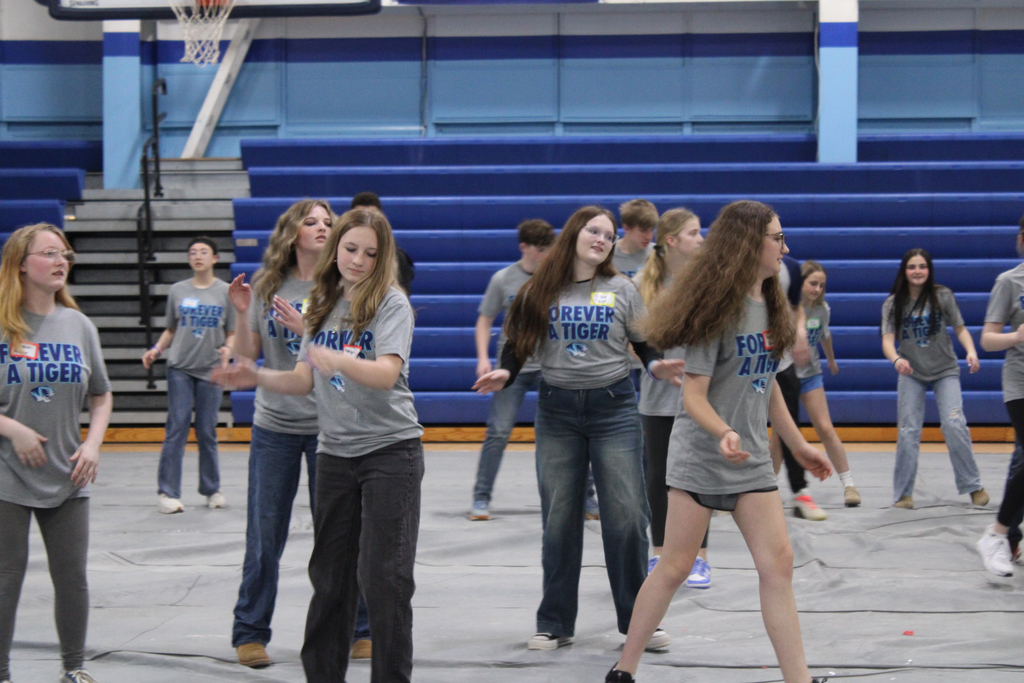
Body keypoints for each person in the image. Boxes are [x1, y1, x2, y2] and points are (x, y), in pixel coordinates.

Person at [607, 200, 833, 683]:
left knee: (780, 565)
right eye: (777, 238)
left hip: (749, 462)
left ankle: (799, 679)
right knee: (674, 566)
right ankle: (624, 669)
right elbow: (693, 395)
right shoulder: (718, 311)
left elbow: (768, 385)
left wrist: (797, 445)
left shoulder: (771, 305)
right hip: (702, 457)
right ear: (751, 243)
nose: (785, 248)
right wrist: (723, 431)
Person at [214, 208, 423, 683]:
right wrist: (256, 375)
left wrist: (336, 360)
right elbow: (301, 381)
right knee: (329, 578)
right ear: (335, 250)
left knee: (383, 578)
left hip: (390, 452)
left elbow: (387, 374)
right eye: (351, 249)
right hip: (334, 454)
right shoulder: (322, 303)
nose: (358, 259)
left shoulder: (391, 304)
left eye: (370, 253)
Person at [474, 206, 686, 652]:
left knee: (628, 516)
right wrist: (505, 374)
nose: (601, 239)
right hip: (558, 411)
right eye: (593, 230)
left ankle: (637, 622)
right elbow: (517, 345)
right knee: (559, 519)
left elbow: (643, 341)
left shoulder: (621, 288)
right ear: (574, 233)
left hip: (614, 409)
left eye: (608, 235)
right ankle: (554, 622)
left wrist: (655, 365)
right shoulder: (539, 290)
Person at [0, 223, 113, 683]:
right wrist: (13, 430)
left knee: (72, 579)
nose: (61, 261)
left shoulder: (79, 325)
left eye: (64, 253)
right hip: (7, 471)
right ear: (22, 265)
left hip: (69, 473)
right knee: (6, 579)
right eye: (49, 253)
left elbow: (102, 395)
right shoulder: (3, 324)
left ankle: (74, 669)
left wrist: (92, 444)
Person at [226, 200, 331, 668]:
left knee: (341, 535)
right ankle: (250, 631)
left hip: (331, 426)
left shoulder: (342, 284)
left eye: (329, 222)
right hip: (275, 426)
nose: (322, 228)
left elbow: (347, 347)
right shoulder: (268, 285)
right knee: (265, 533)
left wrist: (306, 326)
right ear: (292, 232)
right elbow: (249, 354)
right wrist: (241, 312)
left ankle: (358, 626)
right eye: (312, 221)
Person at [635, 208, 711, 587]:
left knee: (697, 475)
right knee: (658, 477)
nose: (701, 239)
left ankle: (699, 556)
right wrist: (652, 363)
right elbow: (631, 343)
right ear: (672, 241)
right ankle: (661, 552)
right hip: (657, 397)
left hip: (700, 395)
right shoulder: (641, 285)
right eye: (694, 233)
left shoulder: (709, 284)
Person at [881, 249, 987, 509]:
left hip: (945, 369)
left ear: (929, 270)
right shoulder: (893, 303)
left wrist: (971, 351)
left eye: (922, 266)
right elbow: (887, 341)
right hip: (911, 372)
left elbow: (960, 328)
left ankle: (973, 485)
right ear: (904, 271)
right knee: (908, 431)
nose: (917, 271)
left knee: (954, 424)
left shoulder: (942, 296)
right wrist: (896, 360)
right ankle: (903, 494)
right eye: (912, 267)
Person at [470, 219, 555, 520]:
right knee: (499, 430)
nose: (546, 255)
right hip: (512, 367)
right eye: (540, 249)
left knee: (563, 432)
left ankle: (586, 498)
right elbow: (484, 319)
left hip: (549, 364)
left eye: (549, 249)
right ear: (524, 248)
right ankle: (481, 497)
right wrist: (482, 357)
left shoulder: (555, 279)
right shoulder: (503, 279)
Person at [142, 236, 235, 514]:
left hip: (211, 369)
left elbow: (232, 330)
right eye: (193, 252)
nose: (197, 256)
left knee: (207, 430)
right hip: (180, 367)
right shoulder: (178, 291)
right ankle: (167, 492)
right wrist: (156, 349)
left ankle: (211, 489)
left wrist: (228, 349)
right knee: (178, 425)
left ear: (215, 258)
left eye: (204, 252)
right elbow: (171, 328)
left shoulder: (226, 291)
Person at [975, 219, 1024, 576]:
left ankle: (1010, 531)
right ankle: (997, 533)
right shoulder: (1010, 281)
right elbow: (988, 339)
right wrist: (1016, 336)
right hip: (1020, 381)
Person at [796, 261, 860, 507]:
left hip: (811, 374)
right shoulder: (785, 307)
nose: (817, 289)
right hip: (784, 377)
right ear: (800, 282)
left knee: (825, 427)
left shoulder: (822, 309)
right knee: (780, 437)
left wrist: (831, 361)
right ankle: (759, 492)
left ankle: (849, 484)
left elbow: (825, 335)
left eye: (821, 285)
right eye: (813, 283)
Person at [769, 257, 827, 521]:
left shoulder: (790, 268)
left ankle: (800, 490)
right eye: (777, 239)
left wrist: (800, 331)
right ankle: (725, 491)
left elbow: (796, 308)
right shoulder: (735, 267)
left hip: (780, 362)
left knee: (789, 425)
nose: (785, 247)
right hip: (744, 363)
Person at [350, 191, 414, 295]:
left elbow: (402, 301)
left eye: (372, 216)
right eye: (360, 217)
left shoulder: (398, 258)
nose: (367, 222)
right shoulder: (338, 254)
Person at [612, 199, 657, 278]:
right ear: (626, 228)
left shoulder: (657, 254)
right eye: (643, 230)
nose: (649, 237)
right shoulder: (608, 254)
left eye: (652, 230)